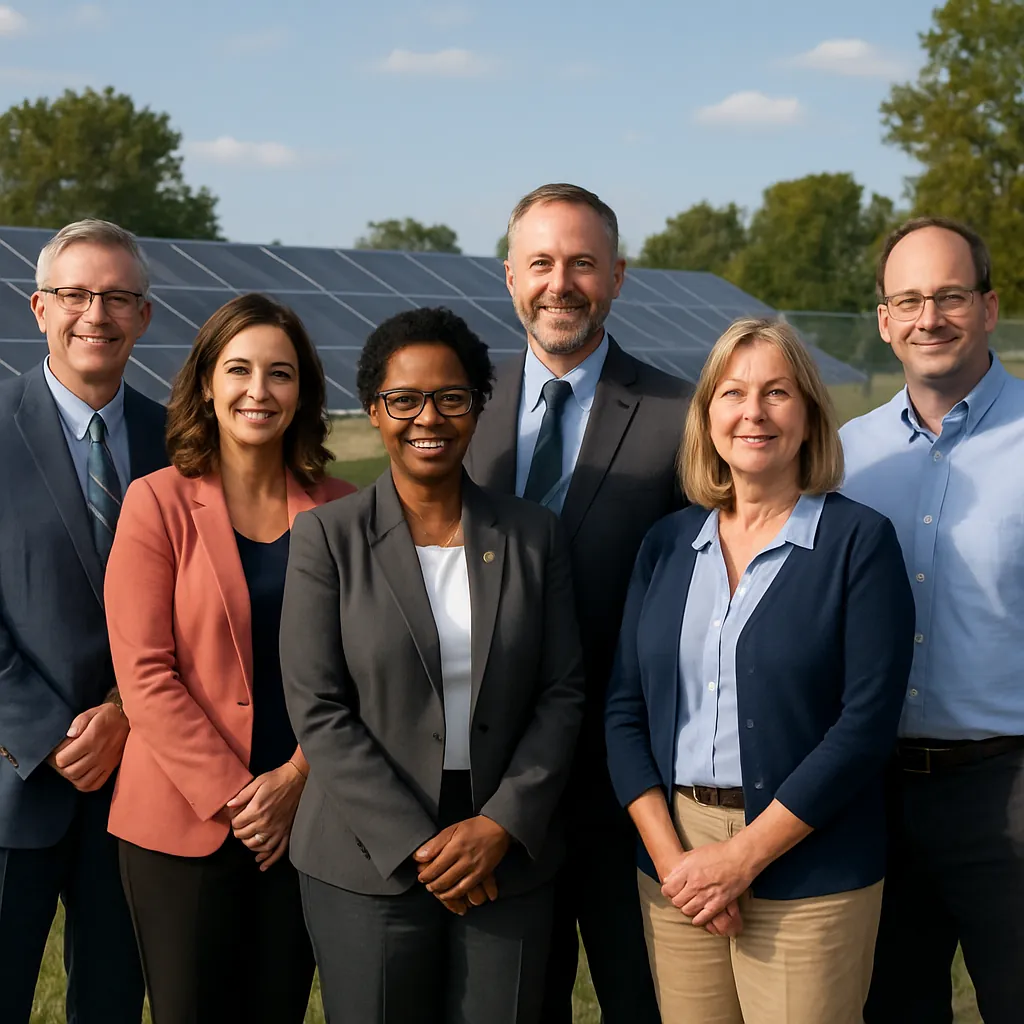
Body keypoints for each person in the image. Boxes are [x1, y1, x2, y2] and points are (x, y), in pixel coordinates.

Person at [280, 306, 586, 1024]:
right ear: (374, 410)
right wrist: (417, 845)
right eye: (405, 399)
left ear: (477, 407)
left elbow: (563, 692)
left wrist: (501, 824)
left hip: (503, 851)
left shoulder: (533, 535)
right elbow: (317, 706)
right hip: (367, 857)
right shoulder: (328, 536)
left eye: (451, 397)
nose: (429, 418)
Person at [605, 317, 916, 1024]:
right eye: (733, 393)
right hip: (677, 863)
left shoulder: (859, 543)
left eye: (777, 392)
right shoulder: (666, 544)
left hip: (810, 866)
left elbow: (864, 727)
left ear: (808, 413)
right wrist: (675, 865)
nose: (754, 412)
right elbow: (624, 710)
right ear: (707, 414)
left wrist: (742, 858)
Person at [464, 182, 691, 1023]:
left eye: (583, 264)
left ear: (618, 277)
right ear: (510, 277)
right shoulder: (460, 405)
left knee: (645, 1001)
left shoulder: (680, 413)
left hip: (629, 786)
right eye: (541, 264)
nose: (560, 284)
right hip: (491, 789)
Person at [102, 293, 354, 1024]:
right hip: (181, 825)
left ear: (302, 390)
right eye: (239, 369)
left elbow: (366, 668)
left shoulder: (345, 510)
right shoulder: (156, 503)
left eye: (280, 373)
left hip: (305, 820)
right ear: (207, 384)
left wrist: (295, 780)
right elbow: (144, 675)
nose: (258, 390)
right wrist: (241, 800)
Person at [841, 217, 1024, 1024]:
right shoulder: (846, 457)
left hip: (1008, 790)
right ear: (885, 321)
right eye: (909, 300)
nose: (930, 318)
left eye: (950, 296)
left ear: (989, 307)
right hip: (872, 797)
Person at [0, 219, 166, 1023]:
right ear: (39, 308)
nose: (95, 314)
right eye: (75, 294)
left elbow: (209, 602)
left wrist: (128, 711)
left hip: (144, 786)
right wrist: (50, 734)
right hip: (13, 779)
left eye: (117, 297)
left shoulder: (183, 440)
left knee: (111, 1005)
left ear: (144, 315)